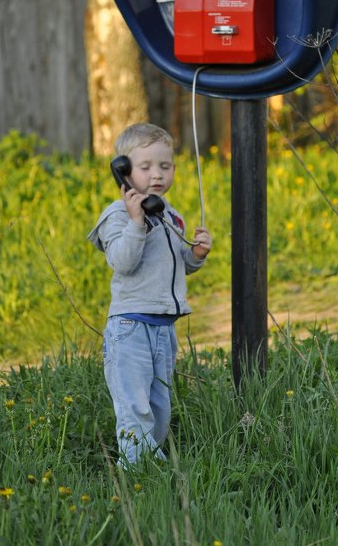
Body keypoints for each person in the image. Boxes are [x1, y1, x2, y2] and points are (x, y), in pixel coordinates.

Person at [88, 123, 212, 465]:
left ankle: (147, 464)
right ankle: (138, 472)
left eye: (165, 166)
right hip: (130, 328)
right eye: (145, 168)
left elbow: (174, 264)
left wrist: (196, 256)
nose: (157, 174)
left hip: (162, 329)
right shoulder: (117, 216)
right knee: (134, 406)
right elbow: (122, 262)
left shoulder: (169, 214)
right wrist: (136, 222)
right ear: (123, 170)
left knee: (159, 405)